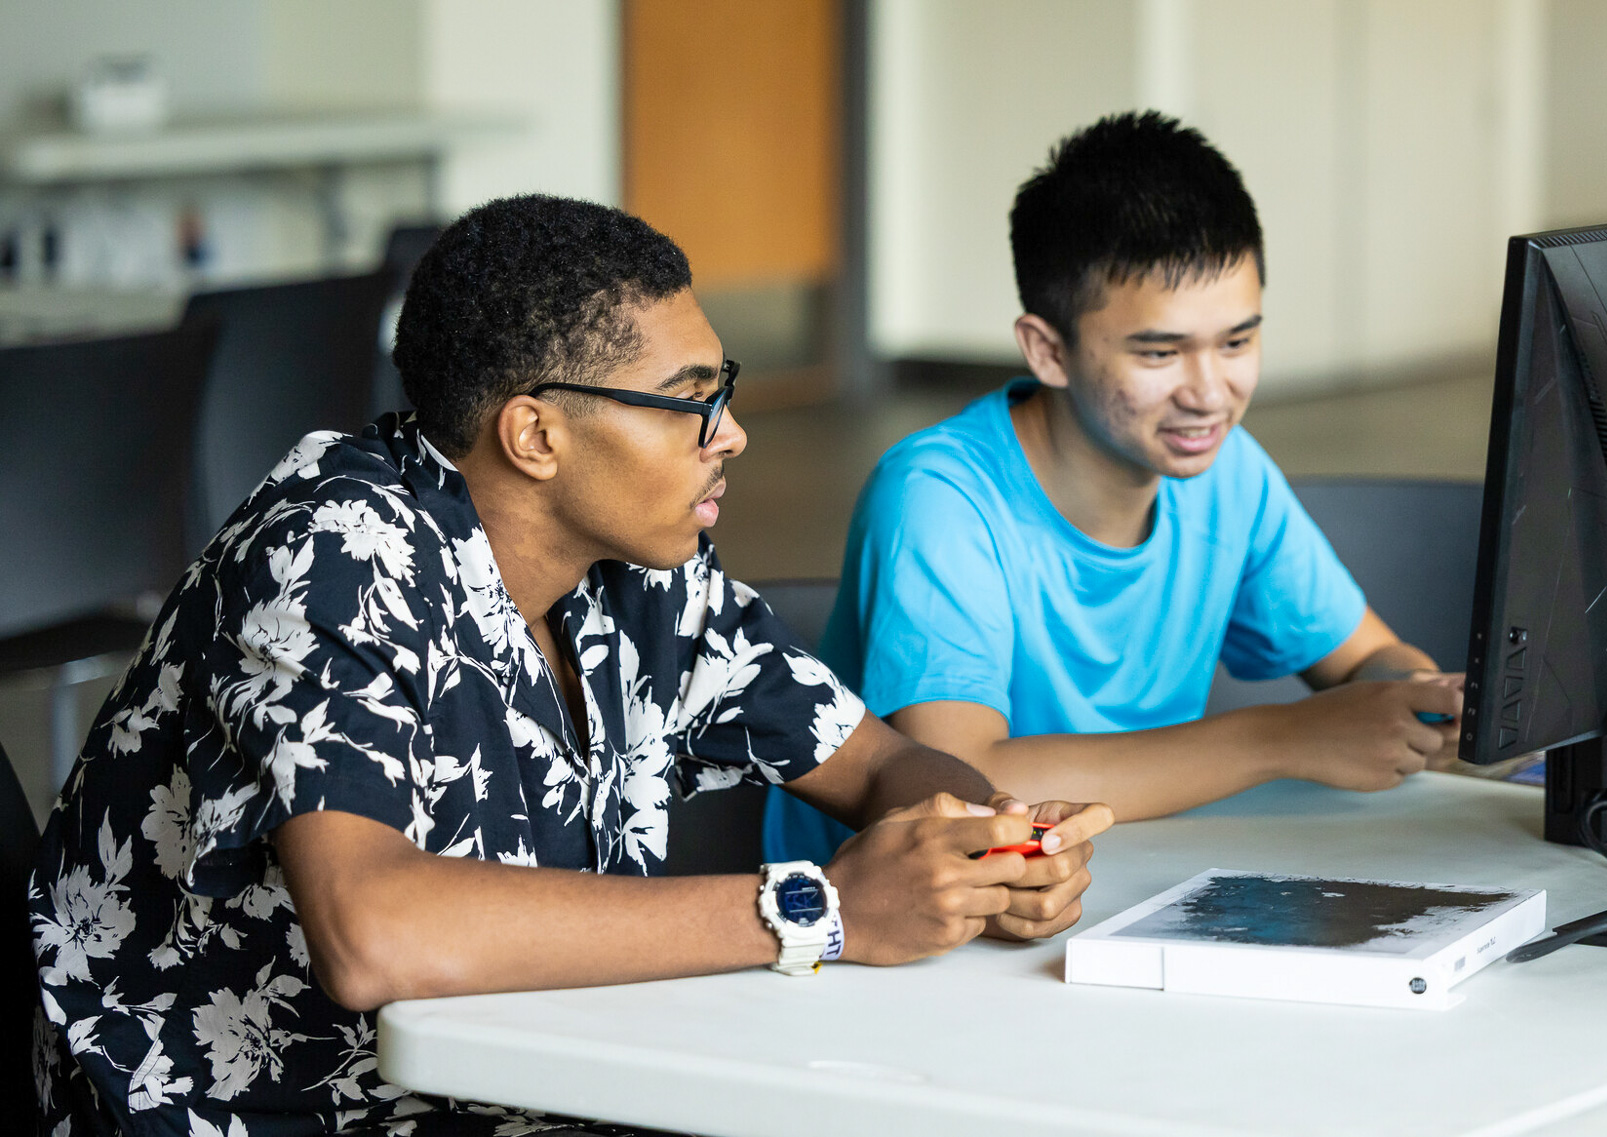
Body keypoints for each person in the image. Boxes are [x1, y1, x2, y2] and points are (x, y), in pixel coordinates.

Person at [27, 195, 1111, 1137]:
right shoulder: (333, 551)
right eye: (691, 400)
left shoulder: (645, 572)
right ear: (535, 436)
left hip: (528, 1081)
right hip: (240, 1110)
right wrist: (817, 910)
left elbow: (878, 765)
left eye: (720, 388)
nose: (728, 433)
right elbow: (373, 933)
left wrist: (988, 846)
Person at [765, 111, 1458, 862]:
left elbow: (1364, 660)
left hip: (1128, 879)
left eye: (1238, 341)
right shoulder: (940, 497)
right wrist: (1282, 737)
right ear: (1048, 350)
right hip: (892, 929)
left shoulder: (1229, 472)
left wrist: (1416, 696)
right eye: (1160, 352)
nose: (1209, 392)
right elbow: (967, 783)